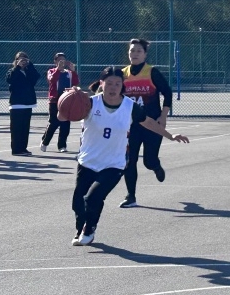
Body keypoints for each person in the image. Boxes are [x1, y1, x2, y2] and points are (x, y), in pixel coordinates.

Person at [62, 66, 189, 246]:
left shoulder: (130, 107)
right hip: (88, 161)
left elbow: (149, 122)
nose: (113, 87)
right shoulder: (89, 103)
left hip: (114, 164)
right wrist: (68, 98)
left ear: (123, 85)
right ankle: (80, 229)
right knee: (78, 203)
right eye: (109, 83)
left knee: (93, 198)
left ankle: (89, 229)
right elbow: (62, 117)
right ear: (102, 83)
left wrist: (170, 135)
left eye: (117, 83)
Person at [119, 38, 173, 208]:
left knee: (148, 161)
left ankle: (156, 166)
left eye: (138, 51)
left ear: (144, 54)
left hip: (152, 124)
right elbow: (108, 92)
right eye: (132, 51)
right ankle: (131, 196)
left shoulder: (152, 72)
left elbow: (168, 93)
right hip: (131, 126)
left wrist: (163, 116)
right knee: (129, 161)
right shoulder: (122, 74)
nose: (134, 54)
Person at [41, 52, 79, 153]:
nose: (62, 62)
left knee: (65, 124)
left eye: (63, 60)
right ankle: (45, 142)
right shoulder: (51, 71)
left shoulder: (69, 73)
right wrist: (58, 69)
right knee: (54, 123)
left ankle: (62, 145)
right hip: (54, 101)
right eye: (59, 60)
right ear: (55, 61)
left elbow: (76, 82)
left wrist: (74, 71)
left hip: (67, 101)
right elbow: (52, 80)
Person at [6, 51, 41, 156]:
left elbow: (36, 77)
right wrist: (17, 67)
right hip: (16, 104)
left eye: (24, 59)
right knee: (16, 128)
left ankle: (23, 148)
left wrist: (30, 65)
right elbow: (10, 79)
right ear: (16, 61)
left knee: (25, 128)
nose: (22, 61)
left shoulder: (28, 71)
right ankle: (16, 150)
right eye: (20, 59)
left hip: (28, 103)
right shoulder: (12, 71)